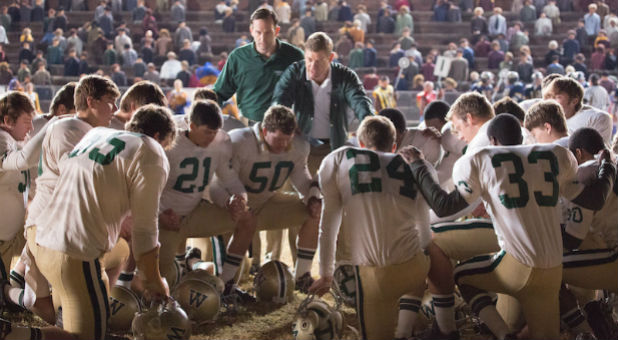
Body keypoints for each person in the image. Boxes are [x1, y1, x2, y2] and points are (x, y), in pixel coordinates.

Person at [401, 114, 615, 340]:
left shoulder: (479, 158)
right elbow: (594, 199)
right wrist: (607, 166)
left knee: (462, 274)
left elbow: (444, 207)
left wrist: (417, 165)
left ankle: (477, 333)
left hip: (516, 265)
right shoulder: (556, 155)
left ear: (492, 141)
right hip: (552, 268)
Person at [2, 104, 176, 340]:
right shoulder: (151, 150)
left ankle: (73, 311)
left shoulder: (97, 134)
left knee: (118, 252)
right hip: (73, 251)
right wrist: (154, 281)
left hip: (42, 239)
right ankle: (12, 333)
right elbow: (145, 231)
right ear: (157, 137)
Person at [309, 115, 433, 340]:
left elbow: (329, 224)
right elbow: (424, 232)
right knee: (417, 253)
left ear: (360, 143)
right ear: (394, 146)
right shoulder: (418, 164)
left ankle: (404, 324)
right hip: (413, 270)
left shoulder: (337, 158)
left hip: (373, 277)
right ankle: (408, 324)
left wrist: (326, 273)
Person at [273, 32, 373, 173]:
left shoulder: (346, 76)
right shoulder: (294, 72)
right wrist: (284, 121)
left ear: (331, 58)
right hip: (301, 144)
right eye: (309, 59)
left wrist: (368, 120)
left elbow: (359, 100)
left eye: (319, 61)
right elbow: (280, 99)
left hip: (334, 146)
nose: (313, 67)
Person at [214, 8, 304, 123]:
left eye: (268, 33)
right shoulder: (238, 57)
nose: (262, 39)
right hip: (248, 126)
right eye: (258, 32)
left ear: (277, 31)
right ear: (251, 30)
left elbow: (307, 94)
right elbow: (220, 93)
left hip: (285, 128)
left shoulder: (295, 56)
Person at [543, 76, 613, 144]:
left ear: (574, 101)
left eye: (557, 97)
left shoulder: (595, 118)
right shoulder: (545, 118)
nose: (551, 101)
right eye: (549, 97)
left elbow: (597, 152)